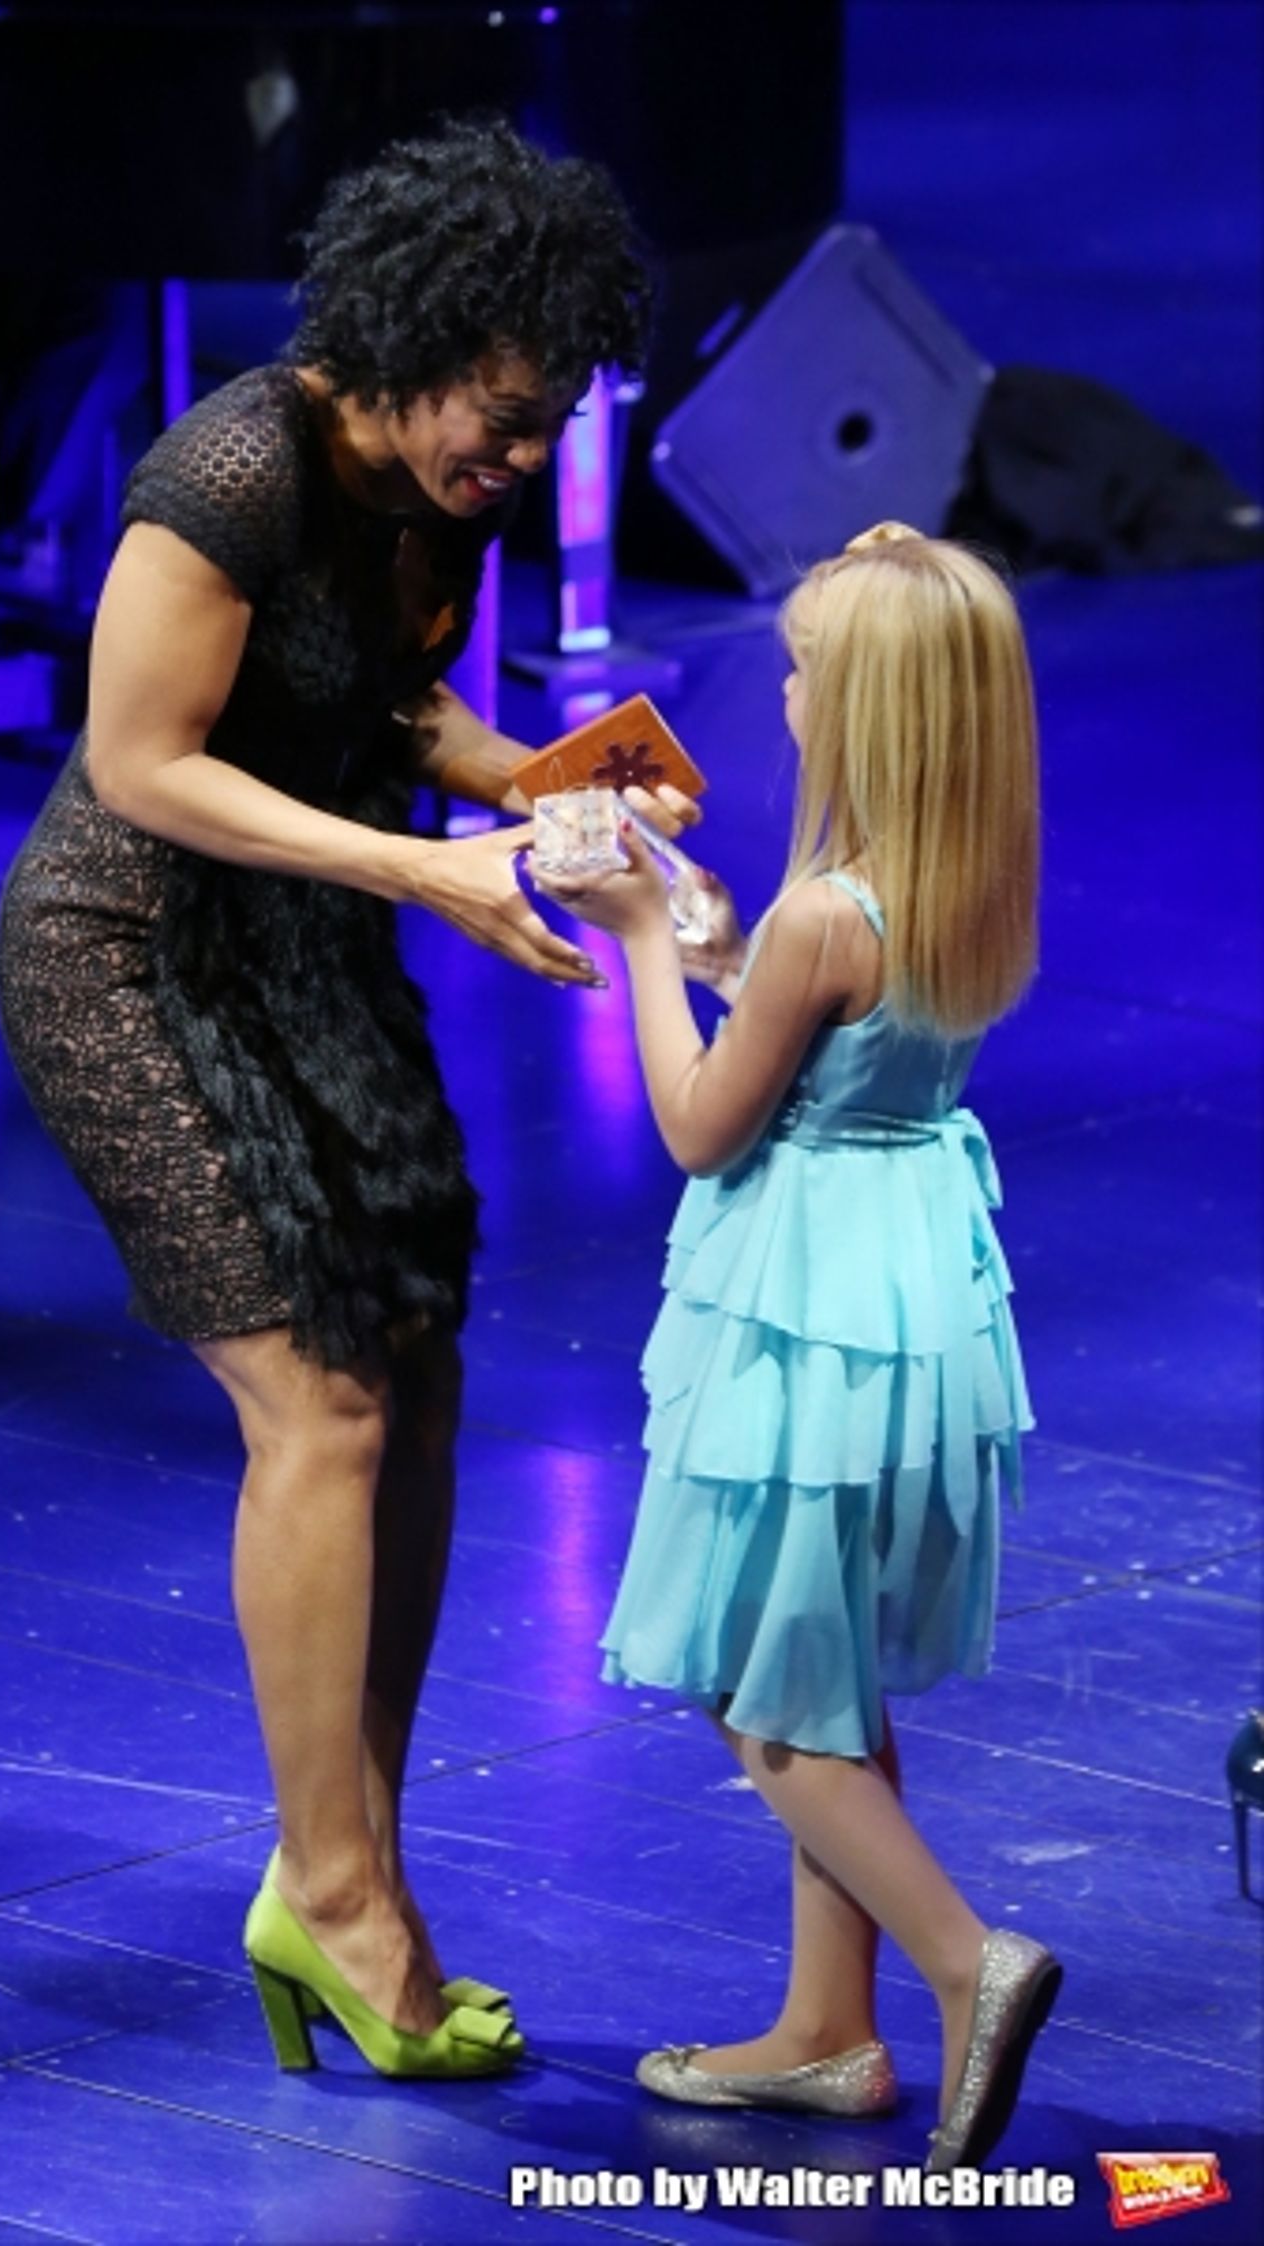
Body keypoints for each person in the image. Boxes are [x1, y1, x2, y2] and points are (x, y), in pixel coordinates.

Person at [0, 118, 653, 2082]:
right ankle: (335, 1895)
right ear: (411, 344)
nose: (521, 461)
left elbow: (385, 698)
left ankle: (349, 1858)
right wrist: (420, 870)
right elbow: (141, 761)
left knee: (417, 1372)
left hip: (302, 945)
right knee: (321, 1400)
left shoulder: (439, 491)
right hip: (130, 956)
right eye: (505, 419)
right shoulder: (232, 473)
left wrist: (538, 784)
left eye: (548, 427)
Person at [534, 522, 1061, 2170]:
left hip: (803, 1320)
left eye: (803, 670)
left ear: (868, 711)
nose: (781, 692)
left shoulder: (827, 913)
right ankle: (829, 2030)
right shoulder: (957, 890)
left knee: (754, 1685)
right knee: (819, 1659)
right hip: (908, 1294)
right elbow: (834, 1043)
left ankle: (968, 1959)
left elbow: (702, 1124)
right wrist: (721, 948)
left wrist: (639, 937)